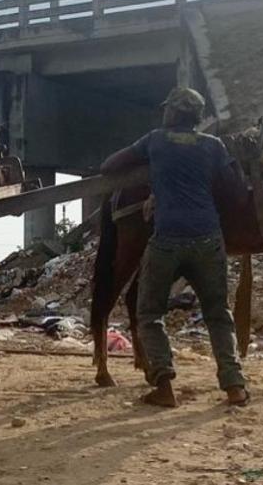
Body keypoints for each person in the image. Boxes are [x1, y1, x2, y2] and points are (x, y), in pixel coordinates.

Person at [100, 87, 249, 408]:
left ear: (174, 113)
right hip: (209, 240)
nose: (163, 113)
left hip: (167, 240)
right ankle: (235, 386)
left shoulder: (155, 140)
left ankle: (164, 385)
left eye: (167, 109)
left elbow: (109, 166)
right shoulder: (213, 146)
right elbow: (237, 193)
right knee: (218, 314)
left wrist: (151, 172)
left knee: (150, 313)